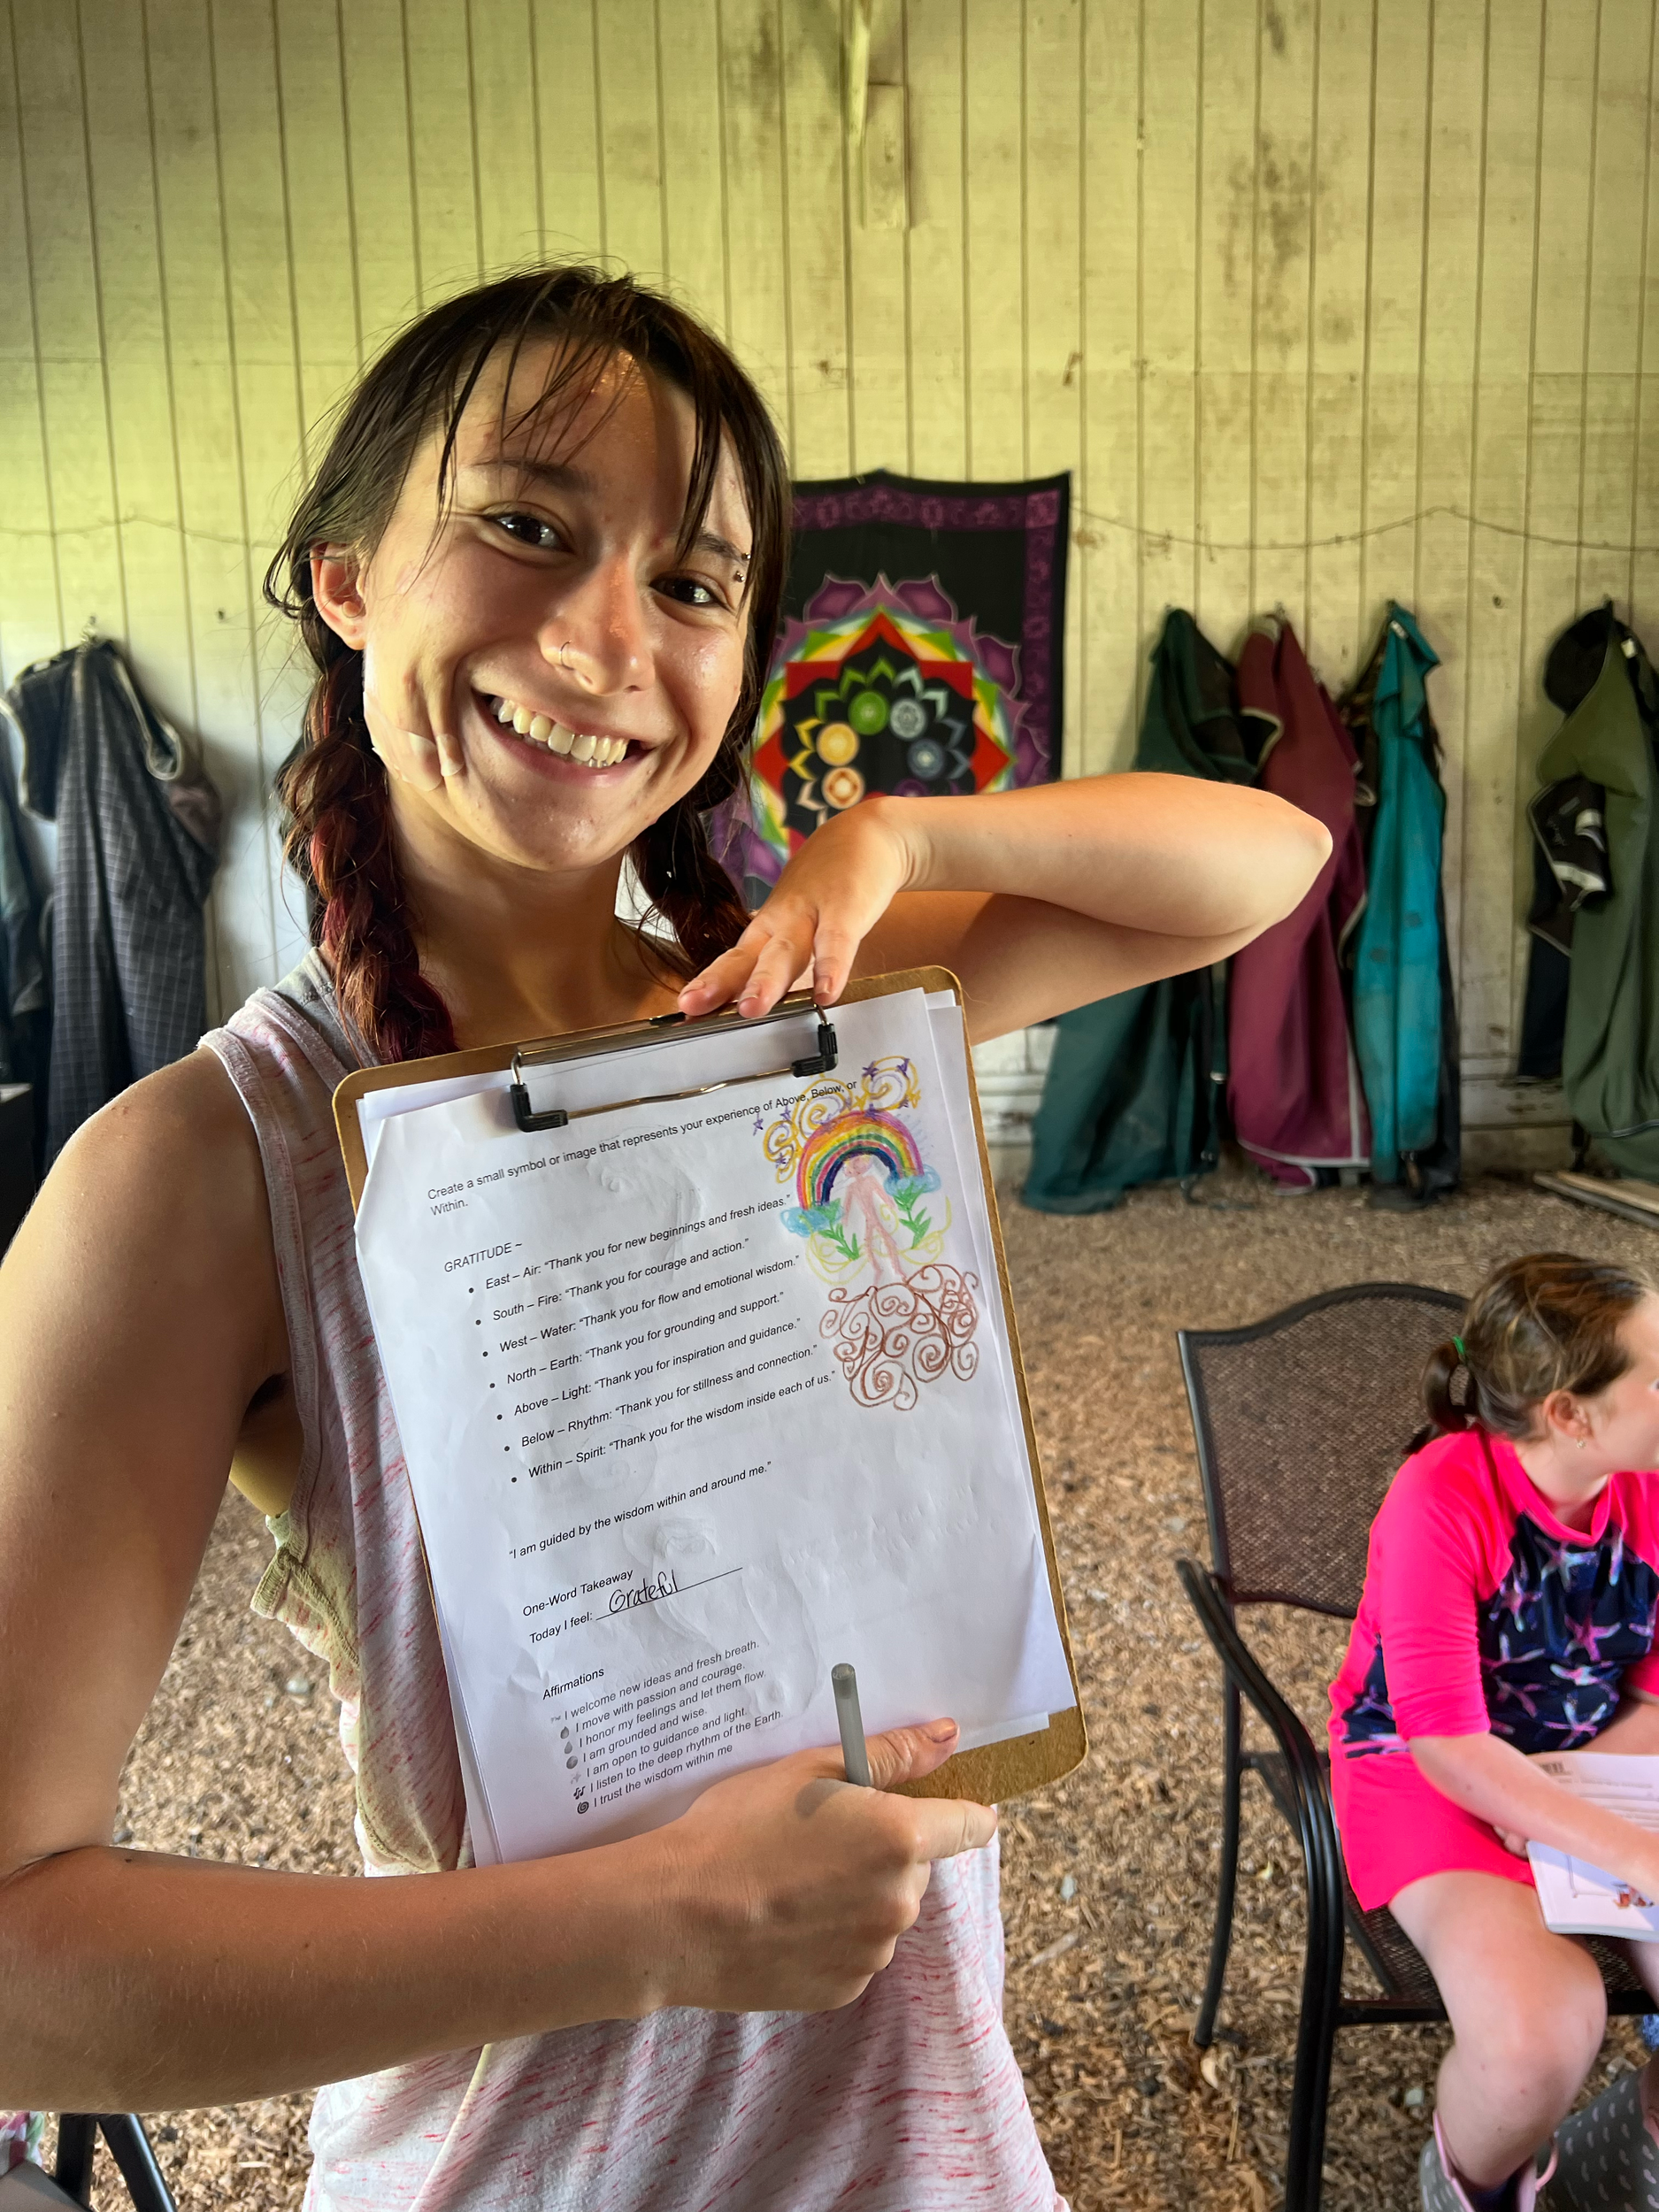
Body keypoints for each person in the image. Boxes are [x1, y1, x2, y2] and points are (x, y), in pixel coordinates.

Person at [0, 266, 1328, 2210]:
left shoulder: (785, 1018)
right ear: (346, 577)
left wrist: (910, 840)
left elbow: (1261, 861)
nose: (610, 637)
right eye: (527, 527)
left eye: (693, 584)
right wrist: (650, 1925)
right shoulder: (208, 1166)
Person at [1329, 1251, 1659, 2212]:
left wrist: (1569, 1797)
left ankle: (1615, 2167)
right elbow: (1447, 1745)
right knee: (1535, 2043)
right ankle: (1471, 2189)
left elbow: (1653, 1699)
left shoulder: (1648, 1478)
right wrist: (1629, 1848)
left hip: (1598, 1758)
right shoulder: (1440, 1500)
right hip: (1424, 1771)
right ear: (1570, 1414)